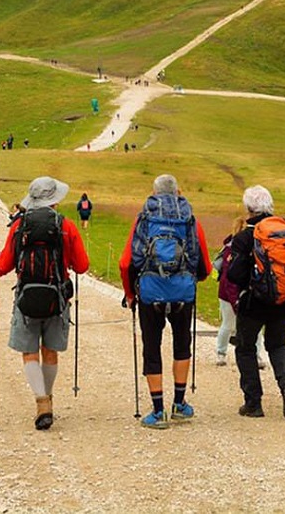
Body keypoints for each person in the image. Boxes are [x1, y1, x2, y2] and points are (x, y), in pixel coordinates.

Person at [0, 176, 90, 430]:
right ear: (55, 200)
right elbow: (82, 266)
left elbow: (3, 266)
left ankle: (41, 401)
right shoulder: (66, 226)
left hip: (26, 298)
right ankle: (49, 397)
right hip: (57, 298)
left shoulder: (19, 226)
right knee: (50, 351)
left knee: (29, 352)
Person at [119, 175, 211, 429]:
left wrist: (130, 293)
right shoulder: (190, 219)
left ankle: (158, 411)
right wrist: (191, 278)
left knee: (152, 348)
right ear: (178, 192)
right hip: (182, 292)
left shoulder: (144, 219)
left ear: (154, 192)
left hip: (150, 293)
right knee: (182, 345)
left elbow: (127, 263)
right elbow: (203, 264)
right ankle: (179, 404)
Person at [226, 185, 285, 419]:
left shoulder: (245, 237)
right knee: (277, 345)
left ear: (248, 209)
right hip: (284, 301)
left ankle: (253, 404)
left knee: (245, 348)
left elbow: (234, 275)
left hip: (253, 304)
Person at [213, 217, 266, 368]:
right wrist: (235, 301)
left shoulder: (232, 248)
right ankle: (224, 352)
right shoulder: (235, 250)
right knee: (234, 324)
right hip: (229, 294)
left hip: (237, 293)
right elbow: (229, 279)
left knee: (232, 325)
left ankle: (225, 354)